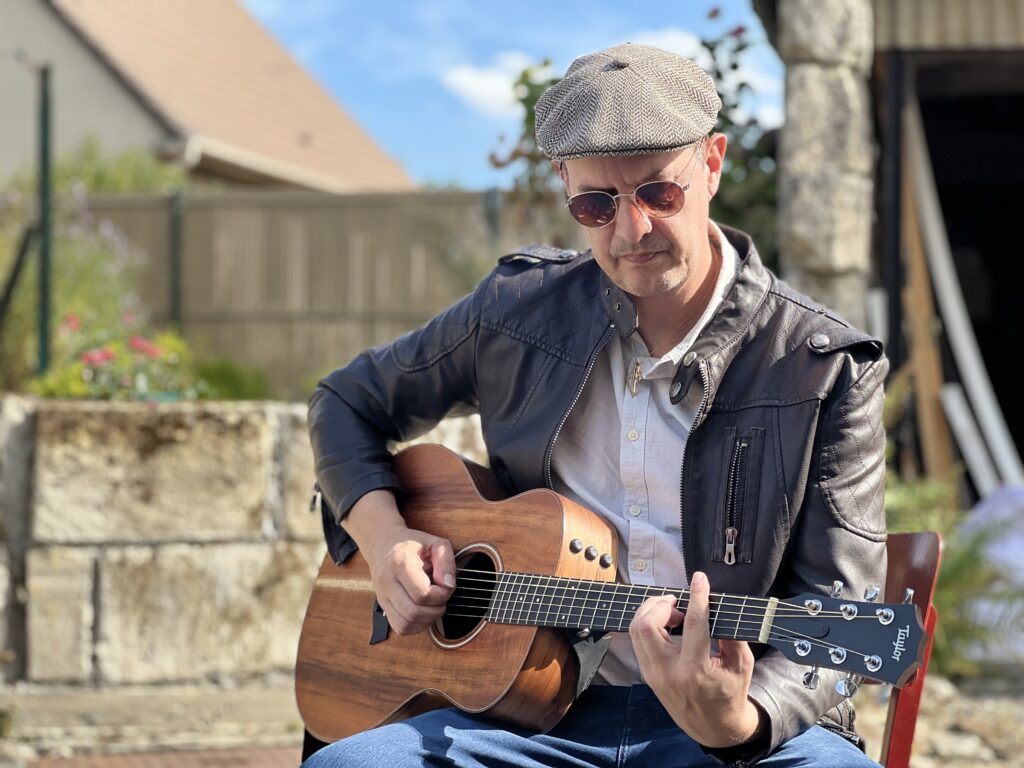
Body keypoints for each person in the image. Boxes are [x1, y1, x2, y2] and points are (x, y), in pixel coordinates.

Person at [303, 42, 888, 767]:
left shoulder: (822, 364)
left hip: (741, 732)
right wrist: (387, 538)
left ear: (711, 162)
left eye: (658, 193)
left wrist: (740, 719)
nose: (629, 230)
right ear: (563, 186)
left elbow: (845, 619)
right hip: (523, 718)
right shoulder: (515, 313)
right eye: (595, 203)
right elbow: (343, 403)